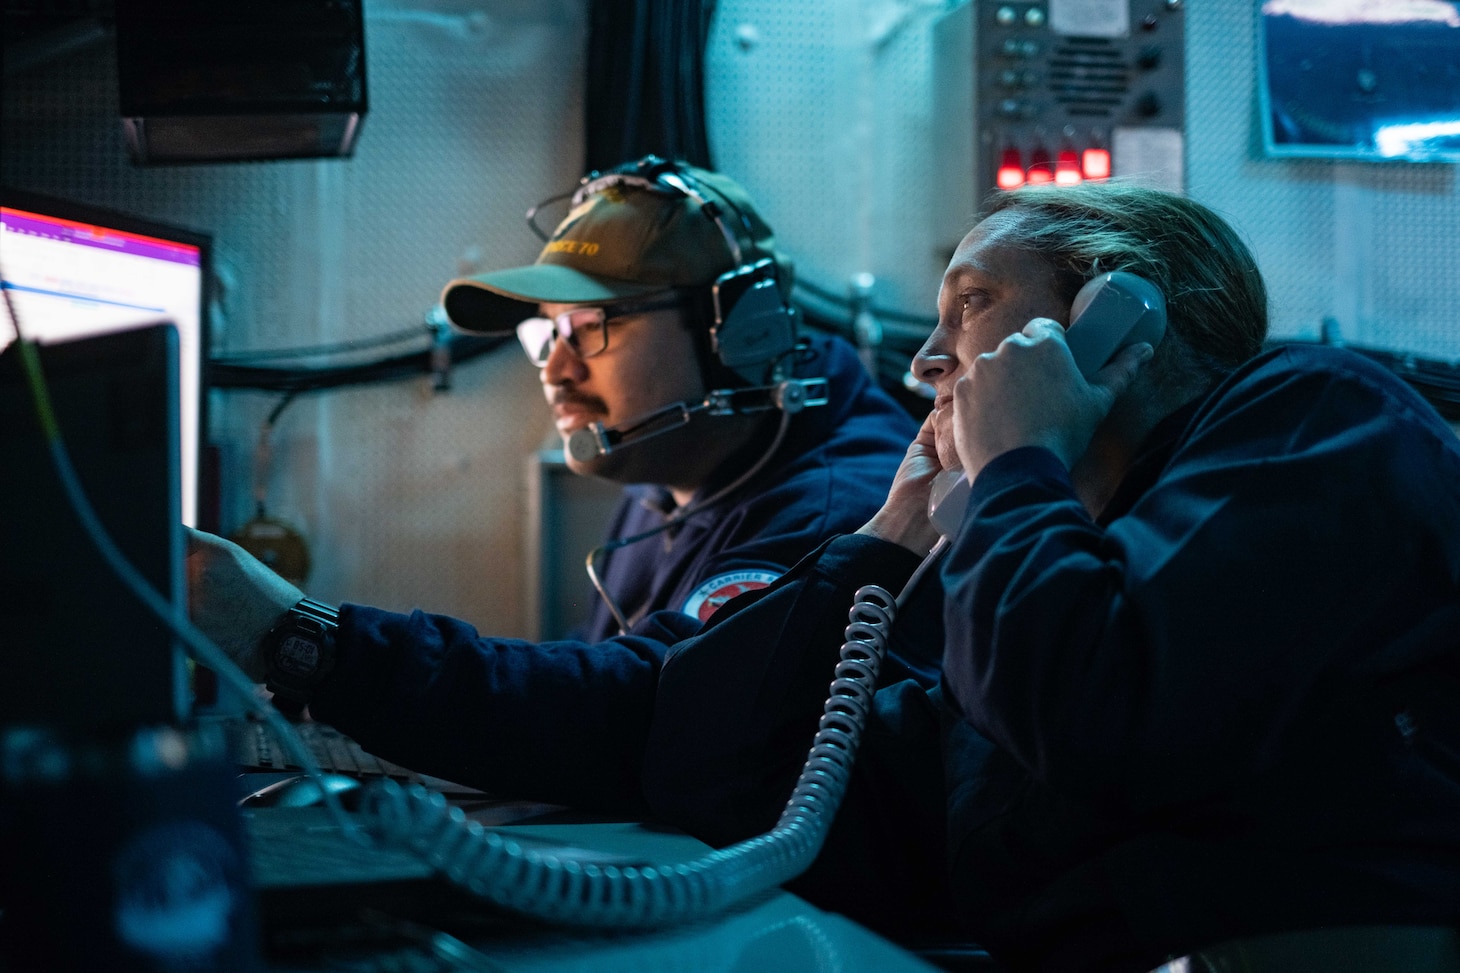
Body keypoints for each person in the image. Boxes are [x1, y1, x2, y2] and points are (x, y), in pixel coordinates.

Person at [640, 182, 1460, 970]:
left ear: (1111, 314)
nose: (925, 360)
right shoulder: (1064, 556)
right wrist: (891, 535)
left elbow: (1084, 712)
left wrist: (1017, 460)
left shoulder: (1317, 417)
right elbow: (749, 770)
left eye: (969, 302)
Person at [186, 157, 923, 813]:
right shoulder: (673, 472)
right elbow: (586, 687)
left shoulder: (840, 516)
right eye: (546, 334)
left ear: (738, 331)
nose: (557, 368)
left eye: (590, 326)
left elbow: (647, 711)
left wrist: (305, 641)